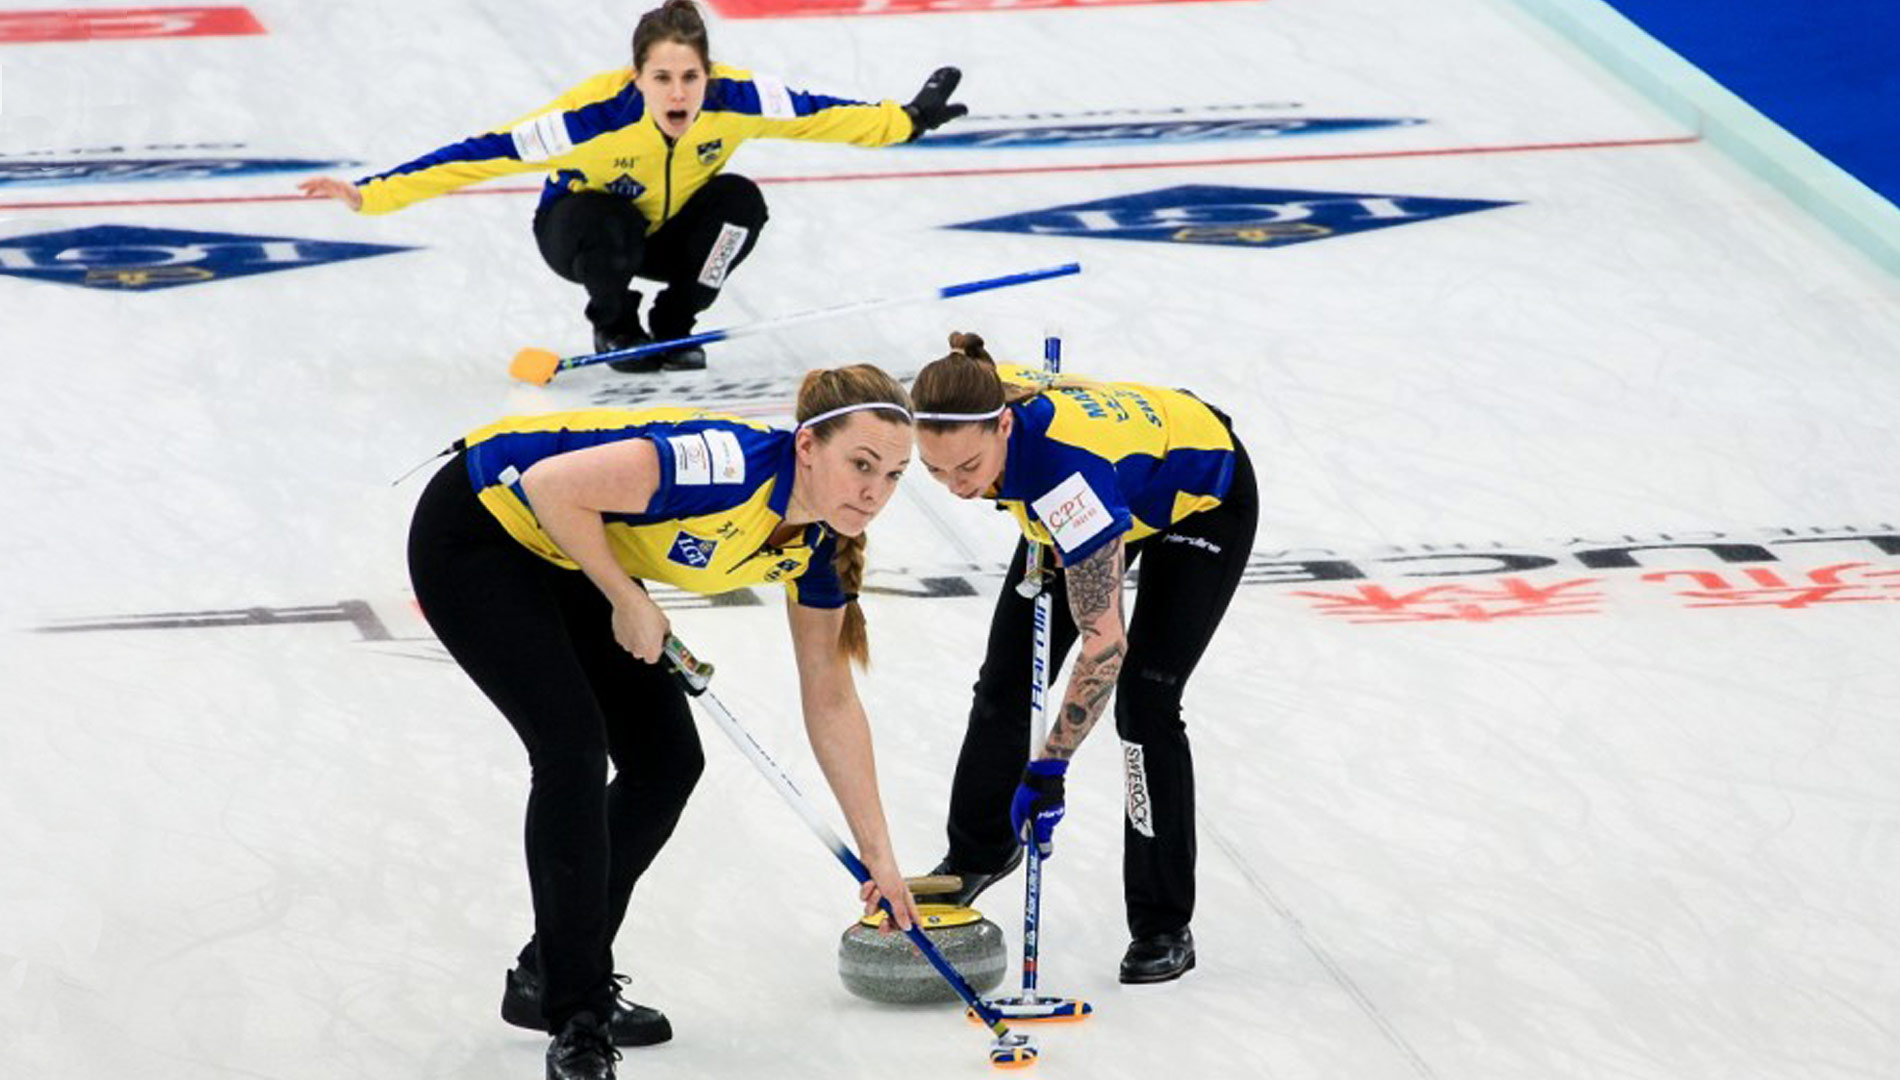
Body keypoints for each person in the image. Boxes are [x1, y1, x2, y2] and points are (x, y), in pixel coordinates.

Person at [406, 365, 922, 1080]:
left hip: (568, 545)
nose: (875, 492)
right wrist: (626, 597)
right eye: (860, 465)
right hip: (481, 525)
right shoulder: (726, 466)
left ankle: (546, 972)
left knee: (666, 762)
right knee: (571, 749)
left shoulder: (822, 547)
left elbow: (831, 698)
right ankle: (579, 1017)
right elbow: (550, 487)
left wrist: (883, 861)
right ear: (808, 446)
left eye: (895, 475)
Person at [300, 0, 966, 372]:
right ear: (637, 76)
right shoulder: (596, 117)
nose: (678, 94)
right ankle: (616, 331)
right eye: (662, 79)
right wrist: (373, 192)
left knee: (739, 204)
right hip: (581, 233)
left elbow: (821, 113)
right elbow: (487, 152)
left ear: (709, 73)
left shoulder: (738, 97)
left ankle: (673, 327)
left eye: (690, 78)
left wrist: (906, 121)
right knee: (608, 222)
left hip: (667, 236)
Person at [906, 332, 1258, 985]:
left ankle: (1162, 924)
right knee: (1008, 680)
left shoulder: (1066, 485)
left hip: (1199, 497)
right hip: (1109, 479)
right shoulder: (981, 393)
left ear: (1004, 427)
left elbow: (1106, 646)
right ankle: (976, 853)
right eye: (935, 471)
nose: (955, 489)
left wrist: (1050, 768)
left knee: (1145, 705)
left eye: (968, 470)